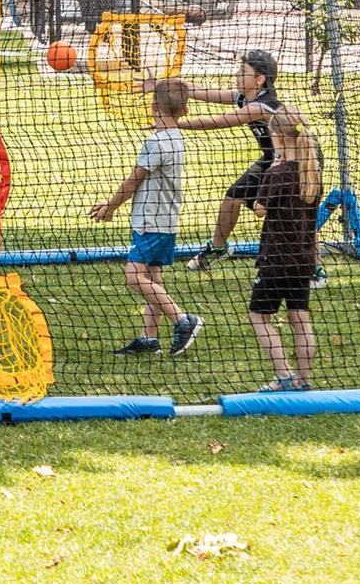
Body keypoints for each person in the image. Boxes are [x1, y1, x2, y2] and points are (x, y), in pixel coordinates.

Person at [91, 77, 203, 356]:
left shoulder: (156, 142)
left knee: (134, 277)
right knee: (154, 278)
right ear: (185, 111)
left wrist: (111, 206)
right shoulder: (177, 138)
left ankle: (182, 320)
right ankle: (149, 338)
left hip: (150, 221)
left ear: (153, 106)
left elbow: (134, 180)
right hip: (165, 220)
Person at [161, 48, 281, 271]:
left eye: (243, 71)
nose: (236, 74)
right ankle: (218, 247)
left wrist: (174, 124)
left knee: (288, 213)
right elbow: (204, 92)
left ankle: (315, 269)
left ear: (259, 79)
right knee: (232, 198)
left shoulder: (263, 106)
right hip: (270, 160)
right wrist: (165, 83)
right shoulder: (244, 98)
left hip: (294, 163)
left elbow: (218, 121)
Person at [247, 105, 322, 391]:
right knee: (299, 318)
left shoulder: (278, 174)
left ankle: (283, 374)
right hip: (302, 258)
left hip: (277, 257)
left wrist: (260, 189)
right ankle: (304, 379)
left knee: (259, 316)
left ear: (276, 136)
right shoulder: (311, 173)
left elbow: (259, 210)